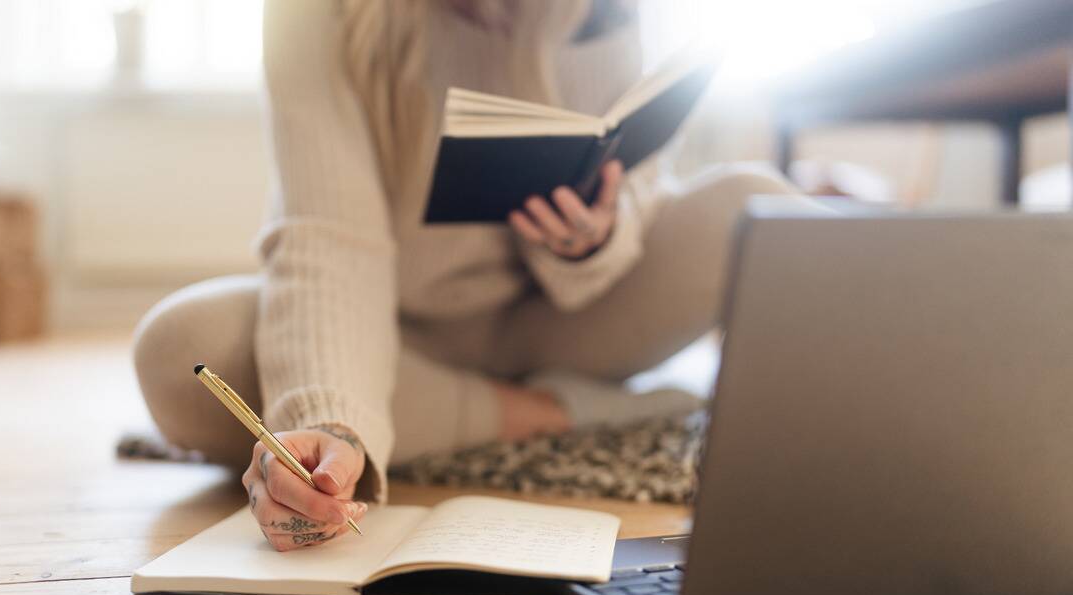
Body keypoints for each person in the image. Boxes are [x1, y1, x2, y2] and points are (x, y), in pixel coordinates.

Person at [133, 0, 797, 551]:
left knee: (759, 207)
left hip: (562, 320)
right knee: (181, 349)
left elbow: (642, 184)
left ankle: (476, 409)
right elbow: (329, 239)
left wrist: (593, 239)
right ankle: (549, 412)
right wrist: (330, 424)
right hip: (397, 341)